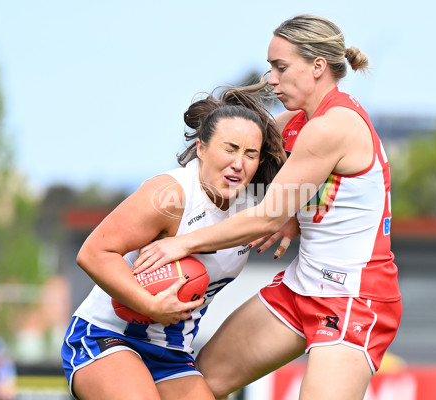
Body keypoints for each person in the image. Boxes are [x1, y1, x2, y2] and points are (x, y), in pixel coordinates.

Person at [133, 14, 402, 400]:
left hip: (354, 298)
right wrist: (294, 212)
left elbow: (266, 215)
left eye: (280, 67)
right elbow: (249, 165)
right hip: (303, 286)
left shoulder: (332, 125)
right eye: (270, 68)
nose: (271, 79)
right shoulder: (298, 121)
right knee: (194, 386)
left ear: (317, 67)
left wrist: (182, 244)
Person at [60, 85, 286, 400]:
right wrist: (149, 305)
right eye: (230, 148)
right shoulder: (171, 195)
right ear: (202, 148)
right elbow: (94, 253)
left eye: (251, 154)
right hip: (106, 336)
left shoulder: (255, 209)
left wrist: (288, 223)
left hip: (170, 354)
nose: (239, 163)